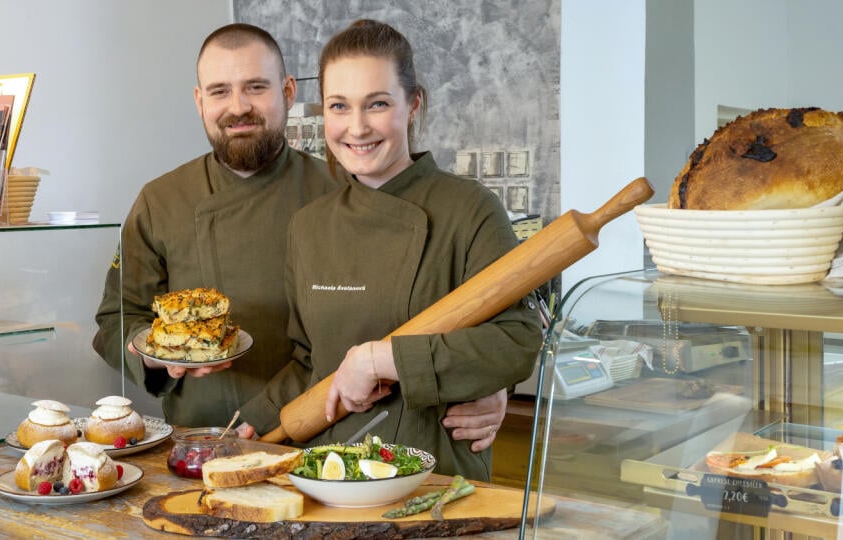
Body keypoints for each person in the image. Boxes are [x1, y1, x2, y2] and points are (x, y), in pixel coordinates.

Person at [93, 23, 508, 450]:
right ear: (199, 102)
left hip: (330, 437)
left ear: (289, 92)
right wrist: (155, 354)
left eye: (256, 87)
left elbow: (418, 320)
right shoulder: (160, 200)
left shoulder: (344, 189)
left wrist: (485, 383)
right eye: (219, 92)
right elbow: (116, 319)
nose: (238, 107)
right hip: (203, 437)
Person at [237, 20, 542, 481]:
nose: (357, 128)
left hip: (432, 475)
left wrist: (381, 360)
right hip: (327, 474)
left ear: (413, 104)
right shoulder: (309, 226)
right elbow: (309, 361)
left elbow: (516, 343)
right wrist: (250, 422)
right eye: (340, 106)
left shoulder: (470, 209)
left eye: (377, 104)